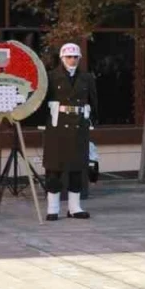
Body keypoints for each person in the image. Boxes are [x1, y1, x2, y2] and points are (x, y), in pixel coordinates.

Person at [43, 43, 97, 221]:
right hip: (57, 127)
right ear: (62, 58)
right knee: (54, 169)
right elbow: (42, 102)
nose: (72, 60)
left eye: (75, 57)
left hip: (79, 126)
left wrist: (91, 121)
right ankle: (53, 208)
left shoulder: (87, 78)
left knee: (76, 169)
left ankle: (74, 208)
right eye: (69, 57)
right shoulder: (51, 77)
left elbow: (93, 102)